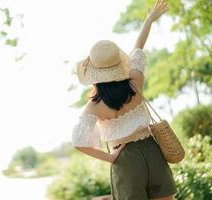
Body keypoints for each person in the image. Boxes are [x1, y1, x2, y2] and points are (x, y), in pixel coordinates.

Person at [71, 0, 177, 200]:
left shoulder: (94, 105)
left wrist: (110, 157)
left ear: (95, 75)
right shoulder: (135, 82)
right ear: (117, 64)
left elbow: (78, 142)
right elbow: (138, 49)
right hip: (153, 151)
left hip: (125, 159)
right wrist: (149, 20)